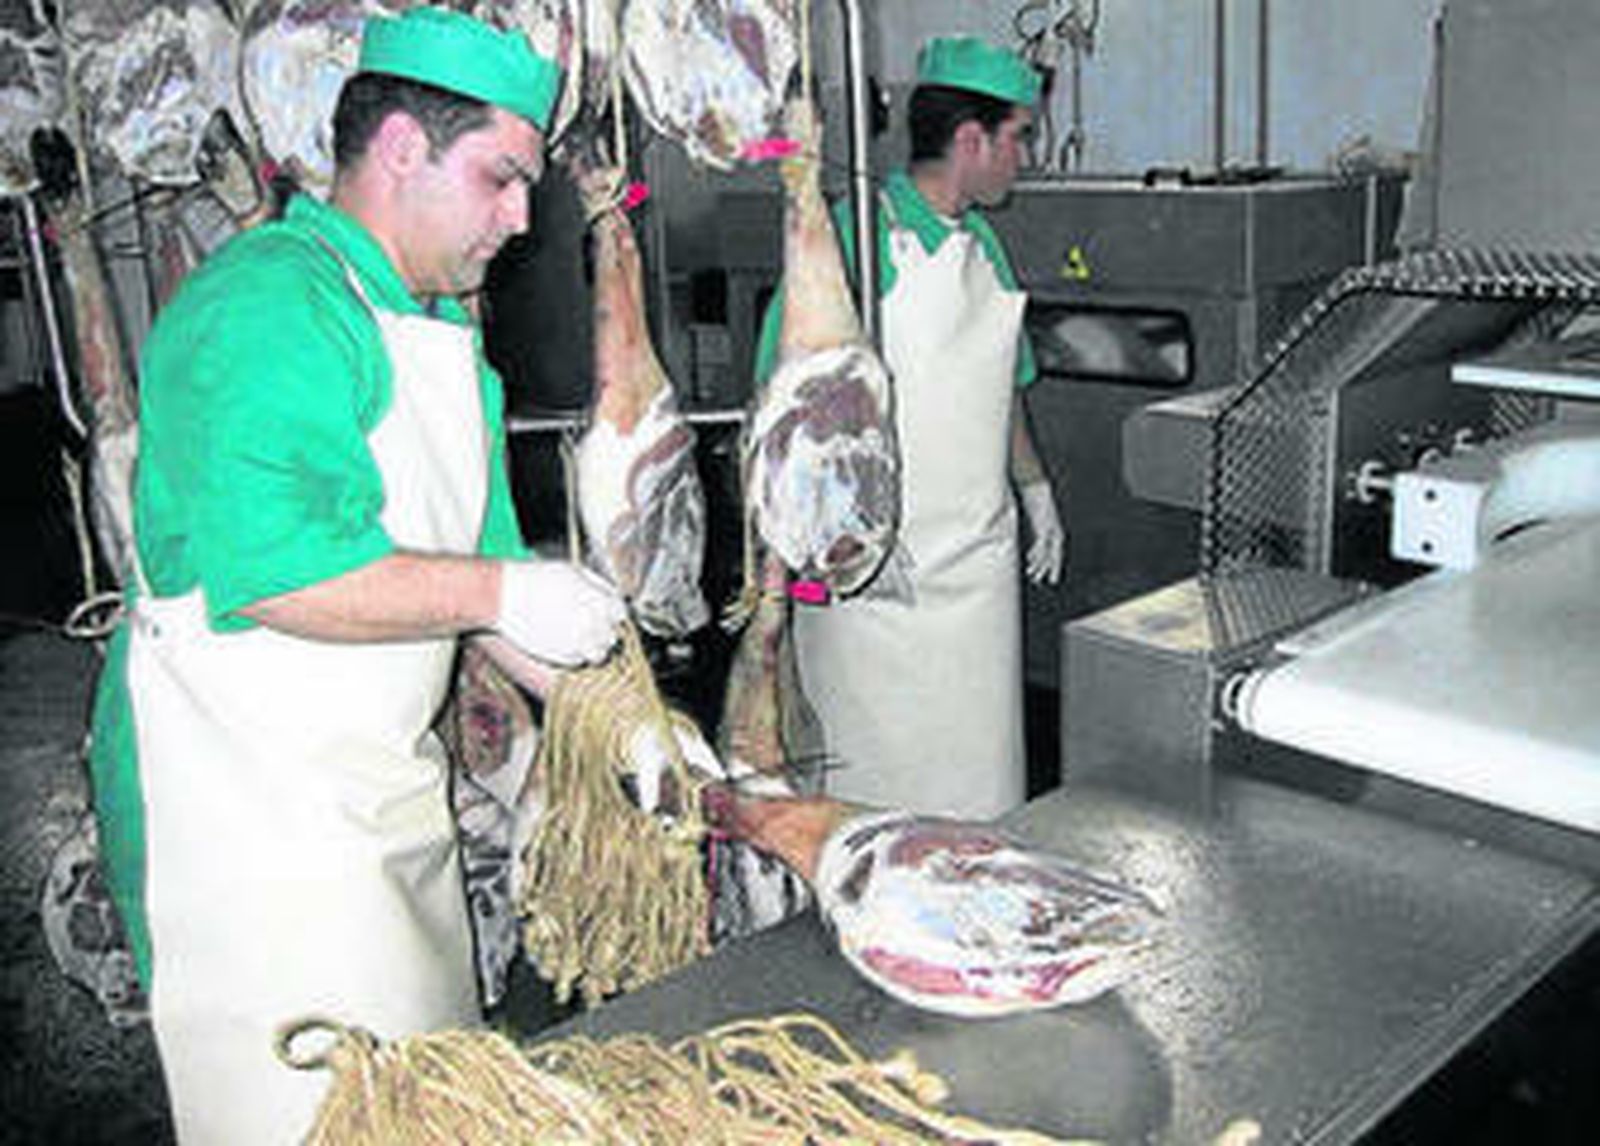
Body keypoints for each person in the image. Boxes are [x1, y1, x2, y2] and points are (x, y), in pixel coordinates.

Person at [85, 8, 626, 1141]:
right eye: (500, 179)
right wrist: (498, 595)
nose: (523, 220)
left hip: (383, 804)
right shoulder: (266, 307)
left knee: (430, 1100)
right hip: (253, 840)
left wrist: (614, 717)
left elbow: (481, 578)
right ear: (397, 150)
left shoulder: (431, 332)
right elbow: (277, 573)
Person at [753, 35, 1065, 820]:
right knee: (882, 805)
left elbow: (1004, 383)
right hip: (879, 585)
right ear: (971, 140)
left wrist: (1034, 490)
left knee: (981, 786)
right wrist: (789, 574)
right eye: (1020, 135)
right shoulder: (855, 244)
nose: (1026, 155)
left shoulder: (984, 246)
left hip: (976, 583)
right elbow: (776, 423)